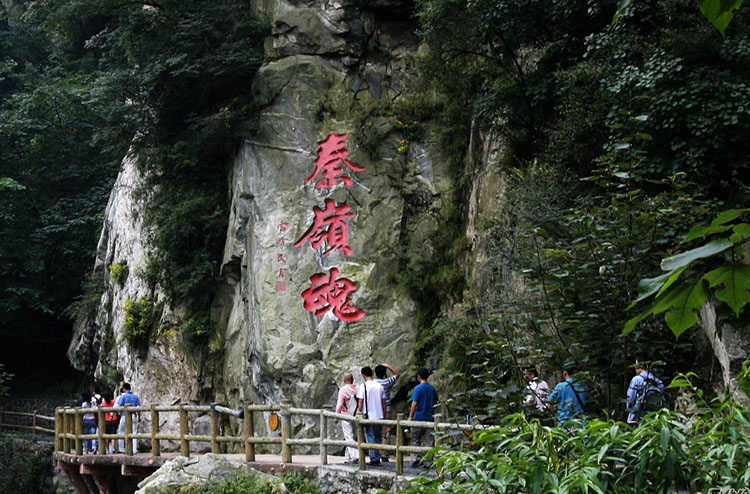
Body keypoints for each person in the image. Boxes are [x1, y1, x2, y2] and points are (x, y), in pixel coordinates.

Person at [408, 367, 439, 468]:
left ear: (419, 377)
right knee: (429, 441)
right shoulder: (432, 389)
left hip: (419, 417)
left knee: (415, 439)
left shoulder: (418, 389)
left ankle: (415, 459)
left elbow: (414, 403)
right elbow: (436, 402)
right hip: (430, 418)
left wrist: (410, 416)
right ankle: (428, 461)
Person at [357, 366, 386, 465]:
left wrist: (359, 412)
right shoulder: (379, 386)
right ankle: (377, 455)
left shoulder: (363, 386)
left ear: (363, 375)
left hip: (369, 415)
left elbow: (361, 401)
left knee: (370, 436)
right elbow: (383, 402)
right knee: (377, 436)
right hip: (379, 415)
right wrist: (384, 415)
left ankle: (374, 458)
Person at [626, 359, 665, 425]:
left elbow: (630, 400)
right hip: (654, 418)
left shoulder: (636, 379)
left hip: (638, 419)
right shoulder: (659, 382)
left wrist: (630, 413)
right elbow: (663, 401)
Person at [334, 372, 359, 463]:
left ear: (344, 380)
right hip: (356, 415)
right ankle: (347, 458)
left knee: (349, 437)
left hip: (346, 415)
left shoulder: (343, 390)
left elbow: (339, 404)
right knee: (352, 436)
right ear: (353, 380)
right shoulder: (357, 389)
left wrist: (336, 416)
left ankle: (356, 456)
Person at [374, 363, 400, 445]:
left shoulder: (372, 383)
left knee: (375, 431)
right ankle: (384, 454)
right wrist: (387, 366)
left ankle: (376, 452)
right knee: (385, 431)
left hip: (375, 408)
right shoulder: (387, 382)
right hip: (387, 408)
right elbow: (397, 374)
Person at [116, 382, 141, 453]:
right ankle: (134, 449)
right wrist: (139, 416)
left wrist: (120, 413)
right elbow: (138, 408)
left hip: (125, 415)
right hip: (133, 415)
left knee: (121, 432)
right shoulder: (135, 396)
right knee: (134, 432)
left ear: (124, 389)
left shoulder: (123, 396)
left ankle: (122, 449)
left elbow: (119, 406)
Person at [102, 389, 119, 454]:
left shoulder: (103, 404)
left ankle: (106, 449)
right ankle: (113, 447)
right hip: (114, 419)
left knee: (106, 435)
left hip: (106, 420)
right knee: (113, 434)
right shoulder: (113, 402)